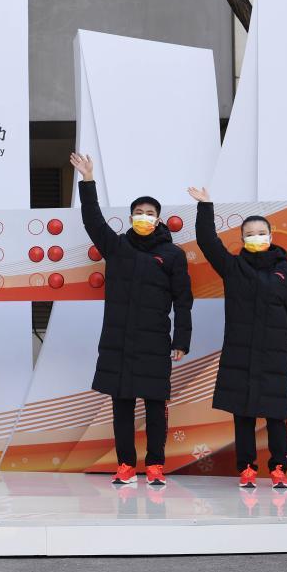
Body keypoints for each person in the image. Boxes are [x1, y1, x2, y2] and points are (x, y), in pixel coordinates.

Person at [70, 153, 192, 486]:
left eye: (149, 213)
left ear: (159, 219)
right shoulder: (117, 247)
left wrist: (181, 340)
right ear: (130, 217)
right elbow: (93, 221)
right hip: (119, 341)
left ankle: (155, 465)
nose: (144, 217)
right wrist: (88, 179)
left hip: (154, 342)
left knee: (155, 407)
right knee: (121, 406)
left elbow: (183, 301)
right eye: (138, 213)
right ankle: (125, 465)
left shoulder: (172, 255)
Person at [187, 186, 287, 489]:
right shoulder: (233, 267)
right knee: (243, 415)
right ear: (242, 239)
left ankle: (278, 469)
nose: (256, 237)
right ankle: (247, 469)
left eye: (261, 233)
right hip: (239, 354)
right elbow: (207, 241)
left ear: (271, 235)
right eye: (250, 234)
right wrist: (205, 206)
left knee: (276, 415)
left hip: (275, 354)